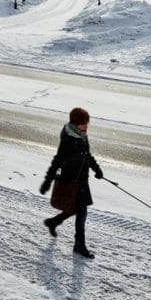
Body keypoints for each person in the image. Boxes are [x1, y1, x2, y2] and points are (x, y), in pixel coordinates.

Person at [39, 107, 103, 258]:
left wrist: (96, 168)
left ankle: (53, 222)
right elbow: (57, 161)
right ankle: (79, 245)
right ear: (75, 124)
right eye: (83, 124)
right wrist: (47, 181)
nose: (86, 126)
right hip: (71, 182)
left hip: (82, 180)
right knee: (81, 211)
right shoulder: (68, 140)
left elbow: (87, 155)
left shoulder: (82, 136)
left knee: (76, 209)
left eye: (87, 123)